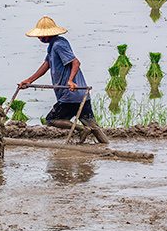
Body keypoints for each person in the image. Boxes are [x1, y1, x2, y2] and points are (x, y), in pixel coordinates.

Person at [18, 16, 109, 144]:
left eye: (41, 35)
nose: (39, 38)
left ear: (49, 35)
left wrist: (70, 80)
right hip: (82, 94)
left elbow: (76, 62)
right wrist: (29, 80)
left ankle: (81, 130)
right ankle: (107, 147)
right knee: (93, 126)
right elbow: (47, 64)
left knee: (51, 120)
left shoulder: (59, 45)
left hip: (70, 94)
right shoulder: (54, 45)